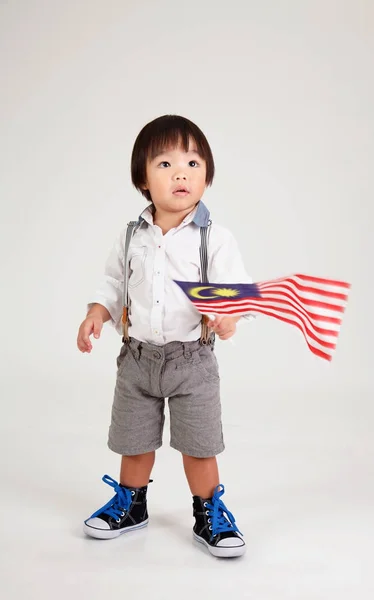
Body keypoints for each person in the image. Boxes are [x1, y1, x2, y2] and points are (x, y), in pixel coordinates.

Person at [77, 114, 253, 558]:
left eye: (193, 164)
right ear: (142, 179)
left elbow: (236, 290)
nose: (181, 173)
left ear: (206, 177)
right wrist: (98, 311)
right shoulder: (132, 236)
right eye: (166, 164)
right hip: (137, 359)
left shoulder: (213, 237)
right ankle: (132, 504)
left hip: (192, 361)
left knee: (199, 446)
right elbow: (114, 283)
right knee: (134, 442)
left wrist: (230, 317)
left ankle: (208, 511)